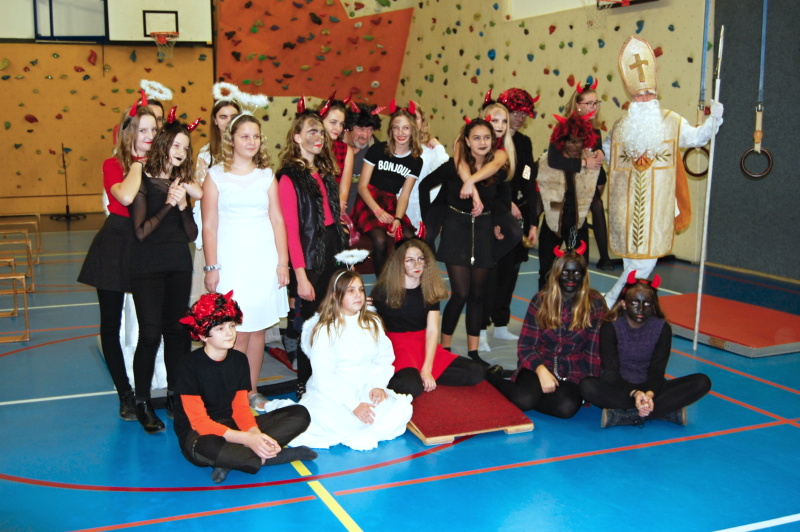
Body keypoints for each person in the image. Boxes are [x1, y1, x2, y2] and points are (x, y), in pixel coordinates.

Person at [604, 36, 723, 307]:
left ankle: (609, 303)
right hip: (627, 211)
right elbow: (609, 154)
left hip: (657, 210)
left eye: (649, 94)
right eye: (639, 95)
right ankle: (622, 308)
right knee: (633, 266)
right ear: (632, 98)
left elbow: (697, 138)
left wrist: (714, 119)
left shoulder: (671, 121)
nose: (645, 99)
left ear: (656, 95)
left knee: (642, 267)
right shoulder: (621, 127)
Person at [176, 291, 316, 484]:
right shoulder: (188, 366)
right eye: (220, 328)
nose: (229, 333)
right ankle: (272, 456)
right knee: (207, 447)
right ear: (203, 334)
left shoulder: (239, 360)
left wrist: (254, 434)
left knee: (300, 414)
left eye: (232, 326)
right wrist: (248, 440)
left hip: (233, 424)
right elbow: (200, 423)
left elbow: (240, 408)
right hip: (200, 434)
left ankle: (234, 459)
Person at [202, 113, 289, 412]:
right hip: (231, 263)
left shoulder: (266, 176)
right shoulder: (215, 176)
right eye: (244, 136)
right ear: (232, 140)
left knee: (258, 330)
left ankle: (251, 391)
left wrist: (282, 263)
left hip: (263, 262)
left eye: (255, 136)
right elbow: (209, 225)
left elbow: (277, 220)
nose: (251, 142)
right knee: (235, 331)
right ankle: (232, 395)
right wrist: (211, 266)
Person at [77, 101, 158, 420]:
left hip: (148, 245)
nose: (150, 135)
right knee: (110, 325)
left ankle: (145, 392)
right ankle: (125, 394)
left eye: (154, 130)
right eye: (142, 130)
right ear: (128, 132)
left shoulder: (160, 164)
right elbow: (124, 196)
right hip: (115, 245)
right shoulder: (113, 164)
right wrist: (137, 164)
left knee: (151, 324)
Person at [128, 112, 202, 433]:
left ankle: (175, 395)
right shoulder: (143, 179)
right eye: (175, 145)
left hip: (178, 265)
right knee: (150, 333)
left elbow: (191, 235)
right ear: (162, 144)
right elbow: (141, 232)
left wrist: (183, 206)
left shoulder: (181, 184)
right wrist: (169, 204)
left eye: (185, 147)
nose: (180, 152)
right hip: (147, 267)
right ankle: (142, 401)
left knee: (178, 332)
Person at [285, 270, 413, 450]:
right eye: (351, 291)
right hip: (335, 393)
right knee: (329, 422)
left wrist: (378, 385)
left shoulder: (372, 323)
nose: (358, 295)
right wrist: (354, 405)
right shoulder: (325, 329)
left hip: (366, 386)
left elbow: (383, 358)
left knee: (400, 411)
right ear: (336, 296)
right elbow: (324, 376)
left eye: (360, 290)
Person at [487, 248, 606, 419]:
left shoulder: (595, 303)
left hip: (573, 369)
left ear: (584, 275)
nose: (571, 278)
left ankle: (531, 391)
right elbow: (526, 346)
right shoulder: (541, 300)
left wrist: (590, 384)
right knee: (523, 400)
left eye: (576, 273)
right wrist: (541, 370)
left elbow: (593, 349)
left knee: (566, 408)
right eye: (565, 272)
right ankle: (493, 377)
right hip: (540, 362)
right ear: (557, 273)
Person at [580, 272, 711, 427]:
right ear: (623, 304)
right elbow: (610, 373)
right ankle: (661, 412)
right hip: (620, 388)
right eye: (635, 303)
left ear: (653, 305)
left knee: (702, 382)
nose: (641, 309)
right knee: (587, 386)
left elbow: (657, 370)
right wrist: (635, 393)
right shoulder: (610, 326)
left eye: (647, 303)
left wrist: (649, 393)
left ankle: (629, 416)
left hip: (651, 387)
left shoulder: (662, 328)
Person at [277, 107, 346, 398]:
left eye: (320, 131)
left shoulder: (325, 171)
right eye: (311, 131)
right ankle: (305, 381)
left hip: (332, 250)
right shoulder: (288, 178)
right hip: (308, 257)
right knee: (310, 324)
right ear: (297, 137)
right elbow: (291, 231)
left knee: (334, 318)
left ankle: (329, 378)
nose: (318, 136)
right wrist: (301, 277)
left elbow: (333, 219)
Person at [430, 118, 510, 365]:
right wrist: (433, 222)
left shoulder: (497, 168)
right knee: (460, 293)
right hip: (456, 231)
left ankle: (474, 353)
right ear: (466, 141)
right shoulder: (454, 166)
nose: (482, 142)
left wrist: (498, 223)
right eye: (476, 138)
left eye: (486, 137)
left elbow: (501, 200)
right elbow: (426, 187)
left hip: (484, 233)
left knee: (477, 295)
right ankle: (444, 347)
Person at [373, 239, 485, 397]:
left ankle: (419, 374)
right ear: (399, 263)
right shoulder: (383, 290)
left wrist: (427, 369)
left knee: (476, 371)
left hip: (423, 343)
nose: (417, 264)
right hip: (396, 346)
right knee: (412, 388)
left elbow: (432, 331)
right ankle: (409, 377)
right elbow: (373, 329)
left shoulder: (429, 289)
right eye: (410, 260)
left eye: (420, 259)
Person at [480, 88, 540, 348]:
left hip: (519, 215)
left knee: (511, 270)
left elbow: (528, 179)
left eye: (524, 114)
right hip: (497, 212)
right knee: (490, 272)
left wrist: (533, 222)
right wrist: (508, 204)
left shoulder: (524, 143)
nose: (519, 118)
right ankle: (481, 326)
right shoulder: (489, 143)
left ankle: (501, 323)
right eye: (514, 113)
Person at [353, 102, 423, 275]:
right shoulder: (378, 149)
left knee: (409, 237)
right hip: (369, 200)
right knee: (380, 239)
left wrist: (398, 219)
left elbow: (404, 195)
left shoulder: (416, 161)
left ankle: (403, 281)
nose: (400, 132)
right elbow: (362, 186)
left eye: (405, 128)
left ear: (412, 130)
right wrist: (377, 211)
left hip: (391, 202)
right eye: (396, 128)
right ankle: (382, 285)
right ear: (391, 130)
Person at [550, 79, 614, 271]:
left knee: (596, 205)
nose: (594, 107)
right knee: (589, 207)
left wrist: (600, 153)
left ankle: (604, 257)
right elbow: (555, 160)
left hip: (588, 181)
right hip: (567, 181)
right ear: (578, 106)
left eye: (596, 103)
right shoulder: (564, 128)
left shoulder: (594, 129)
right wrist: (584, 162)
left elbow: (595, 155)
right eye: (589, 103)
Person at [535, 112, 603, 291]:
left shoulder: (592, 162)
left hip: (577, 225)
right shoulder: (546, 162)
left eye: (579, 142)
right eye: (571, 141)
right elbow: (535, 192)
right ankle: (543, 305)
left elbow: (600, 183)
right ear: (562, 141)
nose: (575, 146)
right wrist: (532, 224)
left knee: (580, 271)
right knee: (546, 271)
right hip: (552, 225)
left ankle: (577, 306)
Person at [190, 97, 241, 301]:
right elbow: (202, 198)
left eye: (233, 116)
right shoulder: (206, 154)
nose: (228, 121)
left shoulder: (249, 152)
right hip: (217, 229)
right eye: (223, 117)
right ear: (215, 121)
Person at [405, 102, 449, 228]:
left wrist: (435, 143)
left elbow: (444, 164)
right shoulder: (398, 148)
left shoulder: (428, 150)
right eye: (409, 118)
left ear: (422, 122)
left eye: (416, 118)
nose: (412, 122)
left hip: (419, 203)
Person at [319, 94, 355, 214]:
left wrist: (337, 205)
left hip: (333, 208)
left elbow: (344, 191)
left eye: (341, 124)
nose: (338, 128)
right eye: (333, 122)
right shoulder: (310, 147)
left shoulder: (346, 150)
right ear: (320, 121)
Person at [344, 101, 382, 213]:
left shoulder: (375, 151)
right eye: (361, 128)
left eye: (370, 130)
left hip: (351, 214)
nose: (365, 136)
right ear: (350, 126)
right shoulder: (333, 144)